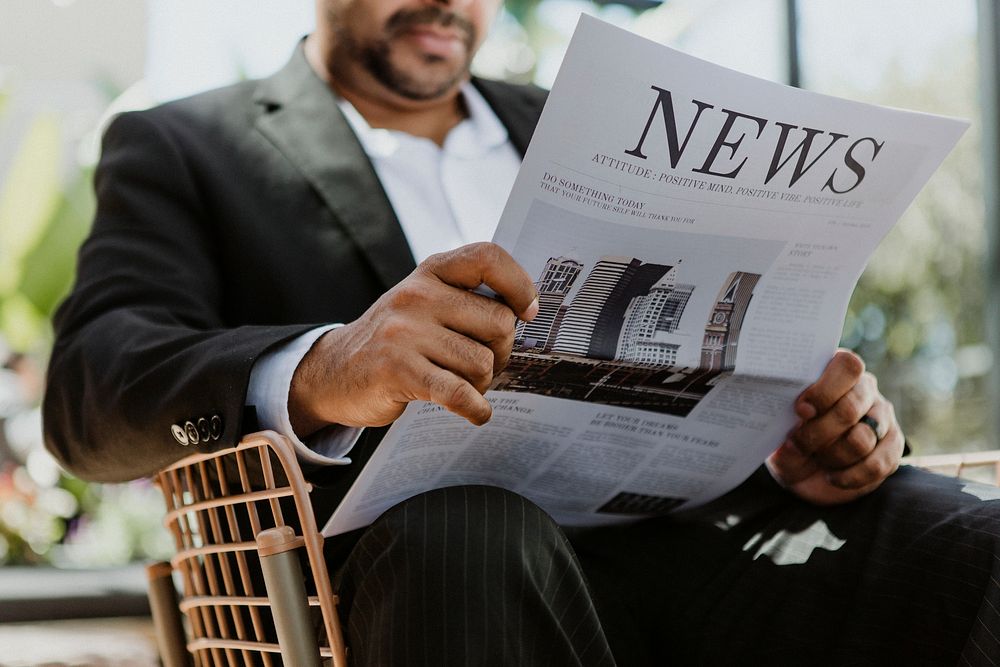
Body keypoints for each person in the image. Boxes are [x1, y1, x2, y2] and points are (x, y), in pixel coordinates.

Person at [42, 0, 1000, 664]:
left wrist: (800, 432)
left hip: (691, 547)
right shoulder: (185, 144)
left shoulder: (589, 121)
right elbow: (91, 388)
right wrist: (326, 368)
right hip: (412, 586)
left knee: (957, 540)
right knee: (468, 533)